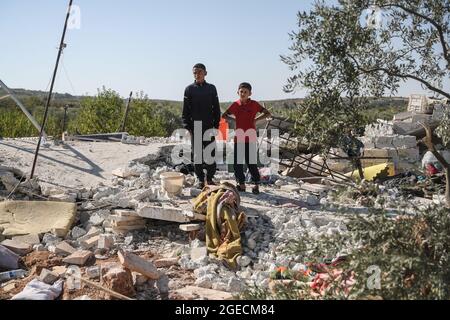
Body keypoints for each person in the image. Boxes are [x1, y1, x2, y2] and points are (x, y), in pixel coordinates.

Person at [222, 82, 271, 194]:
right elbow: (224, 115)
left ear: (250, 93)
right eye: (241, 91)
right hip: (239, 137)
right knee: (237, 163)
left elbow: (267, 113)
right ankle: (241, 184)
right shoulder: (236, 105)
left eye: (245, 92)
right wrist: (234, 120)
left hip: (250, 137)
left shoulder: (254, 104)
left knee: (251, 162)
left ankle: (256, 184)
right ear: (238, 92)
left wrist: (256, 120)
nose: (243, 93)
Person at [182, 63, 221, 189]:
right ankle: (200, 179)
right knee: (197, 154)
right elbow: (185, 111)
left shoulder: (211, 88)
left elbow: (216, 108)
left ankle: (209, 178)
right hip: (195, 126)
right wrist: (188, 127)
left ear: (205, 73)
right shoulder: (189, 89)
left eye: (199, 71)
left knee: (210, 153)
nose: (197, 74)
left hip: (209, 125)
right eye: (194, 72)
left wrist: (216, 125)